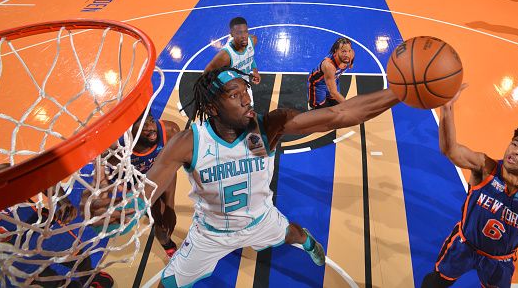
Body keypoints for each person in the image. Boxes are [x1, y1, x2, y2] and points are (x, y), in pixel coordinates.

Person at [105, 66, 400, 287]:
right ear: (211, 108)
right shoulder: (188, 142)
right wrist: (120, 209)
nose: (247, 100)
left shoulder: (270, 126)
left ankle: (309, 243)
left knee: (293, 234)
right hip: (211, 235)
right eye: (235, 96)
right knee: (167, 284)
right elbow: (147, 190)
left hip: (261, 220)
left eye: (246, 92)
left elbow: (339, 115)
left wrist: (399, 92)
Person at [421, 86, 518, 288]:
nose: (516, 151)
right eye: (514, 144)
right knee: (436, 282)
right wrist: (447, 109)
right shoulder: (486, 167)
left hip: (499, 260)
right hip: (463, 244)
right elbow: (450, 150)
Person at [127, 113, 181, 258]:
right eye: (144, 125)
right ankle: (167, 244)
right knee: (161, 223)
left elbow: (171, 168)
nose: (151, 127)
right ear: (130, 129)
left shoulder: (169, 132)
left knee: (166, 214)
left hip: (162, 174)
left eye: (151, 120)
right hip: (138, 183)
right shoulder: (120, 147)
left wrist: (170, 205)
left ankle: (166, 240)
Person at [204, 16, 260, 104]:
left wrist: (255, 71)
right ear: (232, 34)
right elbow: (206, 74)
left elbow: (250, 56)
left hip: (244, 84)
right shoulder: (225, 56)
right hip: (230, 88)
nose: (244, 36)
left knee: (249, 108)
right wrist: (211, 95)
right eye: (239, 33)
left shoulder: (253, 40)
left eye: (245, 32)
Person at [307, 37, 354, 109]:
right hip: (318, 84)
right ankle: (312, 104)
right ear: (336, 51)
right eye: (343, 51)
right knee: (319, 107)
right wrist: (350, 107)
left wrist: (350, 64)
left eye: (349, 51)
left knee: (335, 101)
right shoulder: (329, 65)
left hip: (332, 79)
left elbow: (351, 61)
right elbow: (333, 92)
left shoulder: (351, 55)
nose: (347, 54)